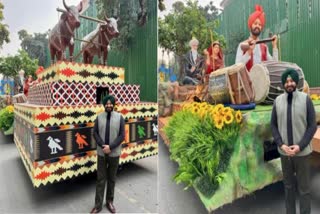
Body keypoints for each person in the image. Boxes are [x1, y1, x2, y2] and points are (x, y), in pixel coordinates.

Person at [271, 69, 317, 214]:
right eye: (286, 81)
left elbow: (312, 125)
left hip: (302, 153)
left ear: (296, 82)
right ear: (283, 83)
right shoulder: (277, 101)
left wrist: (300, 146)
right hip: (285, 153)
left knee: (304, 189)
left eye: (291, 81)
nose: (289, 83)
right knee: (288, 187)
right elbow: (273, 125)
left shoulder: (305, 99)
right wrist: (281, 145)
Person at [90, 95, 125, 214]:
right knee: (100, 179)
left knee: (112, 179)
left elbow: (122, 136)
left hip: (114, 153)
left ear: (114, 104)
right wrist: (103, 146)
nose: (109, 105)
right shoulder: (99, 117)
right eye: (107, 103)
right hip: (101, 153)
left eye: (111, 103)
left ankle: (109, 202)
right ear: (104, 104)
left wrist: (111, 147)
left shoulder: (120, 117)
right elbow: (95, 133)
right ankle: (98, 205)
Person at [235, 4, 278, 71]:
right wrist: (249, 52)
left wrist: (274, 46)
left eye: (260, 24)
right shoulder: (242, 45)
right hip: (247, 81)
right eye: (255, 23)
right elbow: (237, 68)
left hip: (263, 81)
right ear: (250, 25)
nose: (257, 26)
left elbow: (274, 65)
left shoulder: (264, 47)